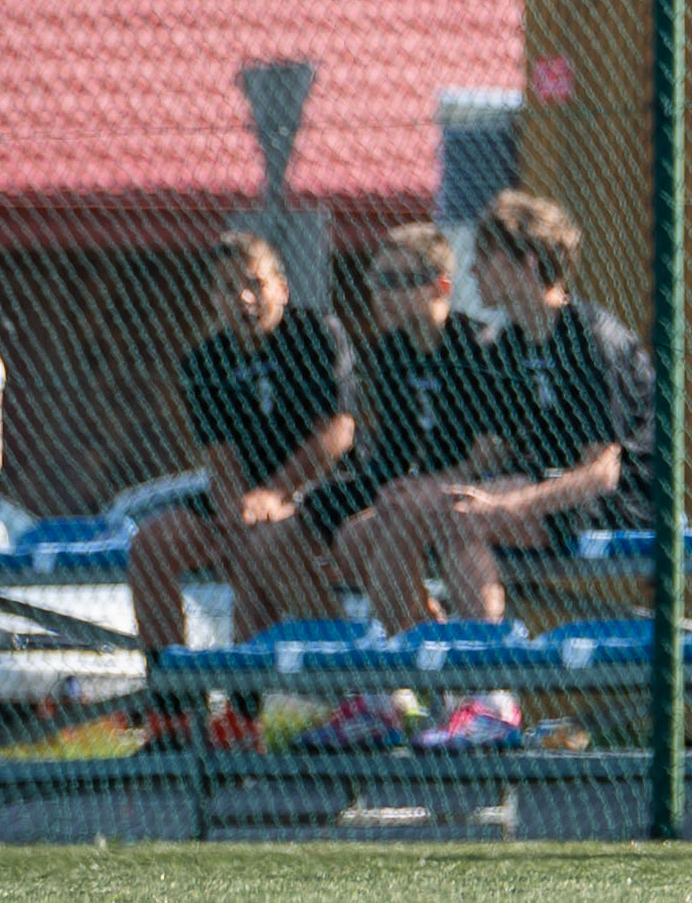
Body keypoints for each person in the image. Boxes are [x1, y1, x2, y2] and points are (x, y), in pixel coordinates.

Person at [354, 191, 654, 752]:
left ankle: (490, 699)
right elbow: (492, 454)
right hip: (540, 486)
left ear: (526, 264)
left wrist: (504, 505)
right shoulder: (511, 343)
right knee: (392, 518)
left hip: (616, 500)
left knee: (464, 518)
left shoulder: (591, 337)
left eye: (485, 259)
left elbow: (602, 472)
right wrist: (423, 491)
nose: (472, 272)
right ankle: (406, 695)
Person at [121, 233, 360, 750]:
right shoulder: (204, 362)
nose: (244, 298)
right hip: (248, 502)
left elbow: (338, 432)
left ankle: (350, 695)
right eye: (229, 288)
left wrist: (275, 494)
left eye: (255, 284)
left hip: (319, 493)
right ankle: (174, 715)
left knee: (258, 545)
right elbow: (221, 457)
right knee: (152, 544)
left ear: (282, 287)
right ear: (213, 298)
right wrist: (235, 510)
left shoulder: (317, 334)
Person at [303, 224, 507, 751]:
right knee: (351, 536)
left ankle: (475, 694)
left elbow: (490, 454)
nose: (383, 294)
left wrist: (420, 487)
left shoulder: (479, 346)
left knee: (391, 521)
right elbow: (393, 458)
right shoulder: (392, 352)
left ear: (440, 286)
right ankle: (422, 685)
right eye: (379, 280)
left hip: (480, 491)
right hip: (422, 495)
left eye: (398, 281)